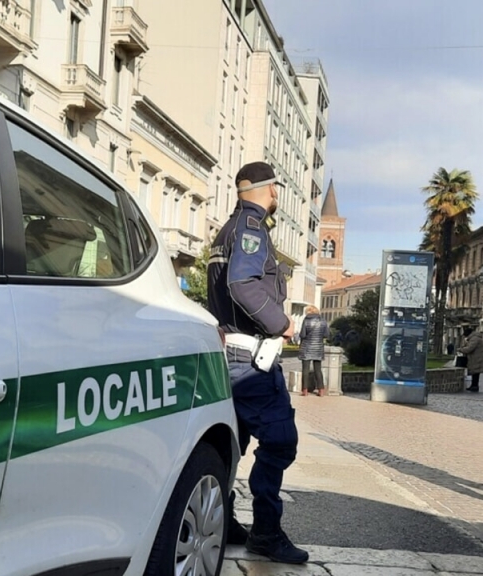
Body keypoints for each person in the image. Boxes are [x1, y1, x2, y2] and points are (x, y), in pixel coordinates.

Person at [206, 161, 307, 564]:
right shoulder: (251, 229)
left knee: (234, 441)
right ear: (272, 190)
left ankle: (225, 520)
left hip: (229, 352)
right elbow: (242, 283)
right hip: (250, 360)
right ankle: (265, 532)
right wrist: (282, 323)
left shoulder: (227, 230)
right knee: (280, 440)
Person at [298, 305, 330, 396]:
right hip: (318, 348)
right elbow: (326, 335)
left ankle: (305, 390)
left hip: (306, 347)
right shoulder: (323, 321)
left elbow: (303, 335)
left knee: (305, 370)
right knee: (318, 370)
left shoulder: (306, 320)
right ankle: (321, 390)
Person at [458, 327, 483, 392]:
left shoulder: (474, 339)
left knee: (475, 372)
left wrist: (461, 350)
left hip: (476, 358)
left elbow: (470, 348)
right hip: (475, 358)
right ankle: (473, 385)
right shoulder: (474, 338)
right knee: (475, 372)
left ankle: (475, 386)